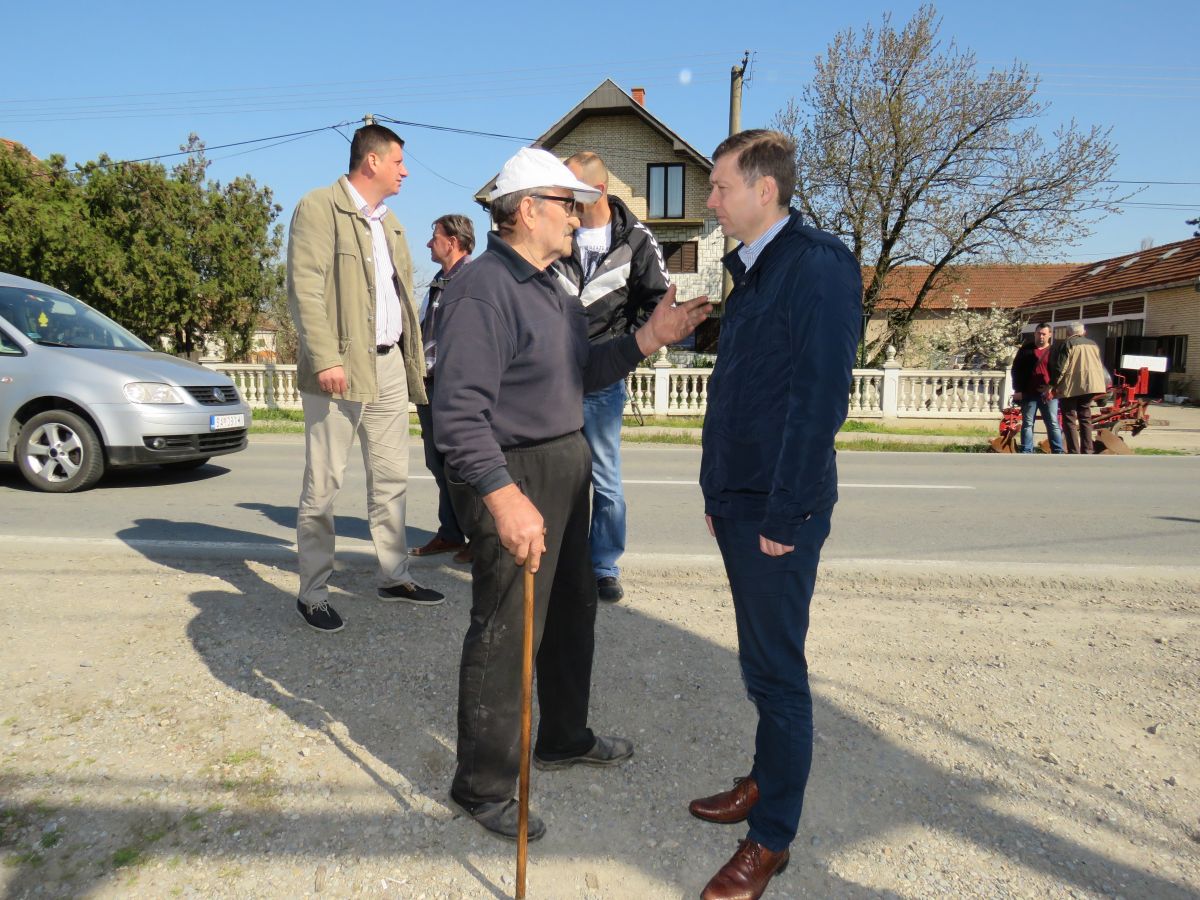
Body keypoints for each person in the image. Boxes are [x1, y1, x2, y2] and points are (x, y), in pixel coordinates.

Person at [432, 147, 710, 841]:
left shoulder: (554, 282)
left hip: (564, 462)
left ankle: (562, 736)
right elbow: (457, 417)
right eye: (566, 202)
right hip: (513, 472)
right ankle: (483, 786)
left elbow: (582, 371)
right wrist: (503, 498)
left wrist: (650, 337)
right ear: (526, 209)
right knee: (506, 631)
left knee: (570, 614)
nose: (580, 213)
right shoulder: (482, 288)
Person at [690, 130, 861, 900]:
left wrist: (783, 515)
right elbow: (746, 391)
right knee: (760, 663)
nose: (710, 201)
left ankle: (773, 838)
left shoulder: (815, 266)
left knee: (780, 674)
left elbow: (818, 401)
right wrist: (717, 491)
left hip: (776, 509)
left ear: (766, 189)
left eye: (721, 187)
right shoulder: (754, 270)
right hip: (740, 499)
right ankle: (764, 779)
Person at [287, 123, 444, 634]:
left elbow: (399, 299)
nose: (405, 171)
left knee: (392, 476)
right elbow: (305, 290)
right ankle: (312, 592)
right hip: (339, 365)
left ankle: (394, 575)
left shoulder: (390, 222)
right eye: (399, 161)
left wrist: (409, 359)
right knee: (325, 484)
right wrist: (327, 357)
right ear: (371, 161)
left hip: (389, 364)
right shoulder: (319, 207)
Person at [555, 151, 671, 603]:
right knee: (555, 474)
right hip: (553, 380)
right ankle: (561, 560)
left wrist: (625, 352)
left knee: (604, 478)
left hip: (603, 382)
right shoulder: (558, 229)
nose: (564, 199)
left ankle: (603, 565)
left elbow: (658, 302)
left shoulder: (636, 239)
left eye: (572, 191)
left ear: (598, 191)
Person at [410, 215, 475, 564]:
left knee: (464, 466)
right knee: (438, 463)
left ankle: (481, 537)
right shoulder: (439, 280)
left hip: (456, 388)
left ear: (452, 241)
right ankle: (451, 533)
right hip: (431, 386)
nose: (428, 243)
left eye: (434, 237)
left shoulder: (473, 279)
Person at [1051, 321, 1108, 455]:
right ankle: (1088, 449)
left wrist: (1053, 385)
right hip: (1090, 385)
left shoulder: (1068, 344)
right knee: (1085, 418)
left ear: (1068, 332)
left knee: (1069, 418)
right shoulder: (1093, 344)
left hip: (1071, 387)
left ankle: (1073, 450)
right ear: (1083, 332)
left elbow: (1061, 367)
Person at [1010, 323, 1065, 454]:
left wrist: (1052, 388)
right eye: (1038, 333)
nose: (1041, 336)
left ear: (1050, 335)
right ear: (1034, 334)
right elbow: (1016, 370)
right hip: (1028, 393)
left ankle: (1058, 450)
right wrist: (1018, 390)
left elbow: (1060, 372)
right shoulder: (1025, 350)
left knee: (1052, 423)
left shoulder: (1055, 351)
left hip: (1049, 394)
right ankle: (1027, 449)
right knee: (1028, 423)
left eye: (1044, 334)